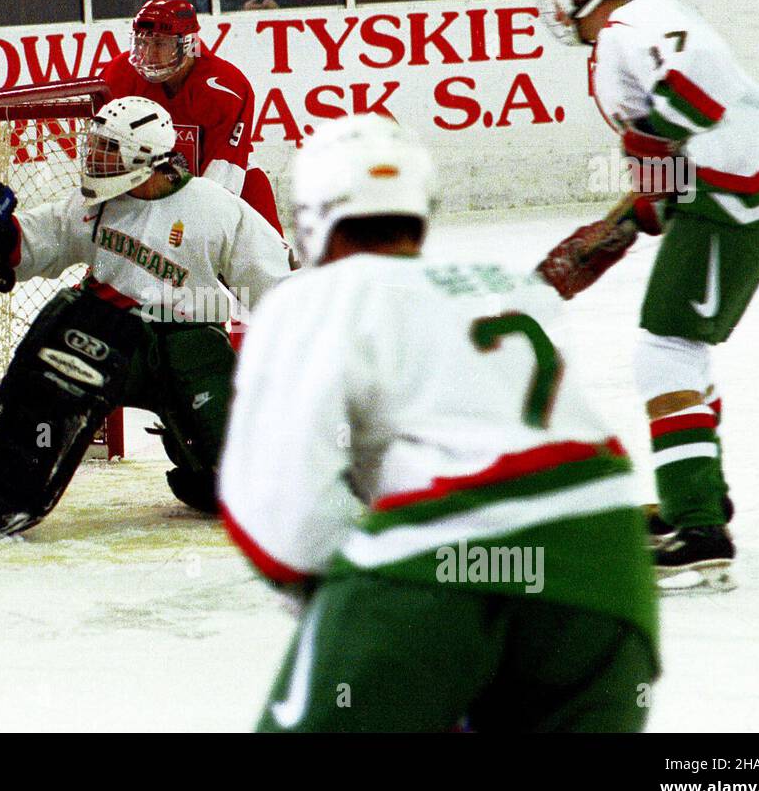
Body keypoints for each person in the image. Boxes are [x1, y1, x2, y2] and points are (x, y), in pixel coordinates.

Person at [218, 114, 658, 732]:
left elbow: (278, 512)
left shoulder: (313, 298)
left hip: (442, 555)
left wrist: (363, 609)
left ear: (314, 217)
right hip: (607, 572)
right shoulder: (503, 285)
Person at [535, 0, 759, 588]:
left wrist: (652, 144)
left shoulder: (637, 23)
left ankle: (700, 528)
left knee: (666, 350)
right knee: (677, 348)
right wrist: (618, 228)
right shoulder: (630, 34)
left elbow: (700, 85)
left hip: (739, 195)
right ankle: (698, 496)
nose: (550, 10)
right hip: (738, 189)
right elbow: (666, 169)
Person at [0, 97, 293, 540]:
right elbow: (44, 239)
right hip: (106, 336)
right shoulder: (97, 201)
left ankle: (210, 470)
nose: (95, 159)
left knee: (239, 479)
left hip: (189, 346)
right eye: (96, 147)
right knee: (51, 368)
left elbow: (278, 289)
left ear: (146, 159)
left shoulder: (216, 209)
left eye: (109, 150)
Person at [99, 0, 283, 234]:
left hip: (231, 188)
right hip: (152, 192)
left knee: (275, 260)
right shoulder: (120, 75)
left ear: (187, 44)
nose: (148, 55)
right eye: (142, 43)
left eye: (160, 44)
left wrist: (186, 233)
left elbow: (223, 176)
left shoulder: (225, 87)